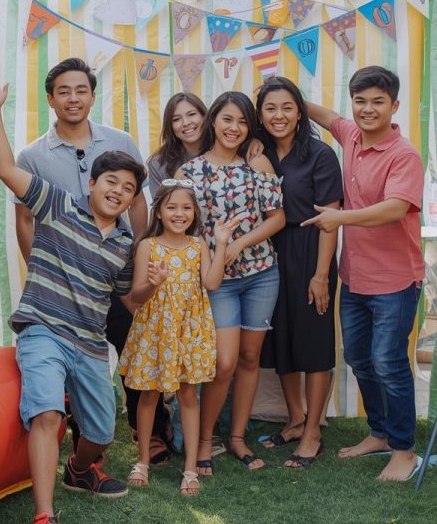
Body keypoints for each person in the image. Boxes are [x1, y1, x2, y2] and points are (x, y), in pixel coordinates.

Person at [0, 65, 152, 524]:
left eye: (128, 189)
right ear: (91, 183)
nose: (118, 191)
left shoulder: (122, 246)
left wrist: (146, 285)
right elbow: (4, 167)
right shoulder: (56, 204)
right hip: (44, 331)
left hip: (91, 344)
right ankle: (44, 514)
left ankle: (78, 468)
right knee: (48, 416)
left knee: (100, 434)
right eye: (110, 182)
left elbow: (128, 301)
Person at [12, 58, 163, 461]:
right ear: (50, 98)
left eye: (81, 90)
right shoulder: (33, 155)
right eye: (64, 91)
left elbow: (139, 206)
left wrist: (135, 253)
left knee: (134, 343)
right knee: (79, 357)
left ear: (92, 96)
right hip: (65, 281)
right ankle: (83, 445)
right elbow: (24, 219)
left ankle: (150, 430)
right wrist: (44, 269)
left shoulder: (121, 141)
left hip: (114, 269)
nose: (73, 98)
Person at [304, 65, 424, 482]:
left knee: (388, 362)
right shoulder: (351, 135)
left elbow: (395, 209)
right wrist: (282, 97)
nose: (367, 109)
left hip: (395, 281)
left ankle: (405, 450)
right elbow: (323, 116)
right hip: (355, 278)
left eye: (377, 102)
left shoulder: (403, 154)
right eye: (360, 101)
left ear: (394, 107)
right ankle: (381, 433)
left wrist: (340, 218)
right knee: (358, 357)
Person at [176, 91, 285, 475]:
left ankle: (237, 437)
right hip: (218, 280)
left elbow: (276, 218)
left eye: (242, 121)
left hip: (261, 274)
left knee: (250, 358)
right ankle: (205, 440)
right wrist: (217, 257)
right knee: (223, 363)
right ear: (213, 122)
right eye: (227, 119)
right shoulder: (189, 174)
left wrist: (238, 243)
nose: (234, 128)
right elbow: (185, 230)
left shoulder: (259, 165)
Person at [118, 181, 237, 496]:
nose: (179, 213)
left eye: (186, 207)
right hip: (155, 330)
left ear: (195, 211)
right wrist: (153, 284)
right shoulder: (148, 246)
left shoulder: (199, 245)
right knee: (149, 395)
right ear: (159, 210)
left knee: (188, 396)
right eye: (172, 207)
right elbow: (138, 296)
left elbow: (211, 284)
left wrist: (221, 243)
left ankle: (189, 468)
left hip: (189, 331)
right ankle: (142, 461)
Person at [254, 77, 342, 469]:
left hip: (310, 252)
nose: (279, 115)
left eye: (287, 107)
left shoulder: (321, 155)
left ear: (301, 110)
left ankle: (313, 433)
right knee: (282, 339)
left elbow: (330, 219)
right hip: (269, 254)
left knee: (314, 341)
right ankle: (294, 419)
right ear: (260, 114)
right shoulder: (258, 153)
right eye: (270, 108)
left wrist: (321, 275)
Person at [146, 92, 207, 188]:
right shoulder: (159, 164)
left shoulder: (225, 153)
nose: (186, 123)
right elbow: (161, 203)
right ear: (170, 127)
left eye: (191, 114)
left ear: (204, 116)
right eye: (176, 119)